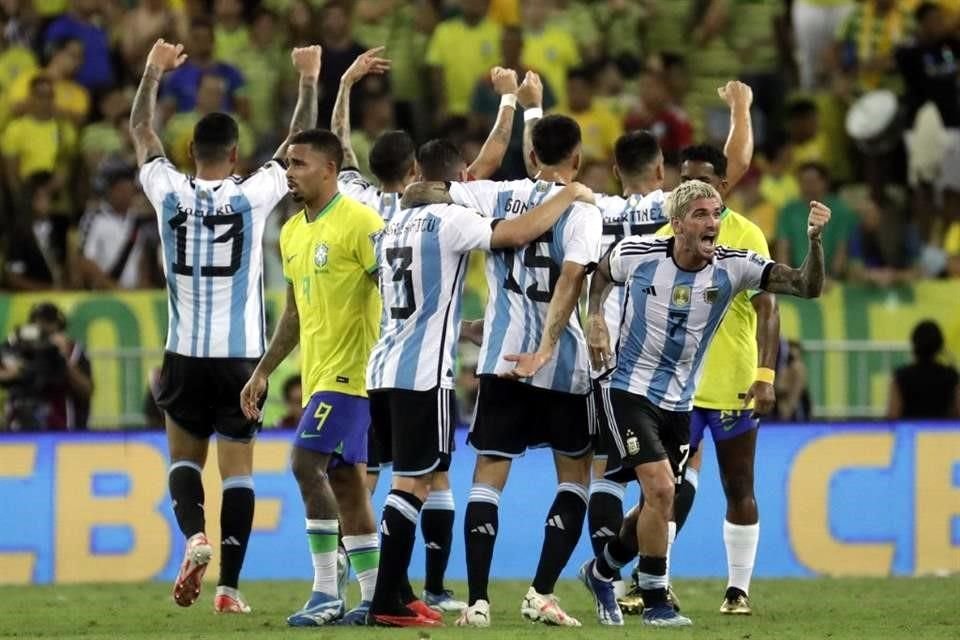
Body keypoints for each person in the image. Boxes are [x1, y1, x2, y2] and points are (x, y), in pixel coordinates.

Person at [577, 180, 830, 627]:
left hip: (680, 400)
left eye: (716, 213)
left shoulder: (734, 267)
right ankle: (656, 600)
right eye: (701, 215)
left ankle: (601, 570)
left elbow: (805, 286)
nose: (713, 223)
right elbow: (599, 275)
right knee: (659, 489)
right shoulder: (638, 254)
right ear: (677, 225)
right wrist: (595, 317)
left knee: (662, 499)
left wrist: (814, 242)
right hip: (630, 390)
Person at [366, 138, 595, 627]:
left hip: (384, 365)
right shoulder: (451, 219)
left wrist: (465, 327)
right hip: (426, 373)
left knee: (419, 479)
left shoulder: (388, 226)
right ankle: (387, 597)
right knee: (413, 482)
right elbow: (515, 234)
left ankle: (424, 594)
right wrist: (569, 192)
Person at [130, 38, 321, 614]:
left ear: (190, 150)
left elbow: (141, 129)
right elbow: (296, 147)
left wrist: (152, 72)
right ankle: (230, 590)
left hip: (183, 355)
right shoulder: (252, 195)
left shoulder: (166, 189)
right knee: (239, 473)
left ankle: (194, 537)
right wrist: (309, 82)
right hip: (242, 358)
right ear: (235, 156)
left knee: (185, 463)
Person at [332, 51, 521, 615]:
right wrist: (509, 101)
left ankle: (354, 581)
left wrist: (343, 84)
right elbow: (483, 163)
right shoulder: (446, 205)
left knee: (387, 475)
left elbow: (340, 146)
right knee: (425, 477)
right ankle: (408, 588)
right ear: (416, 170)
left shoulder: (363, 201)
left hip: (378, 354)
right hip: (420, 367)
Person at [239, 129, 382, 627]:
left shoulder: (362, 222)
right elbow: (295, 314)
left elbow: (395, 285)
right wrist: (263, 371)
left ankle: (325, 591)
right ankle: (372, 595)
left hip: (355, 374)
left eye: (297, 163)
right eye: (286, 163)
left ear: (327, 168)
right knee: (346, 483)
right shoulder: (291, 232)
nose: (289, 172)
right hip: (319, 373)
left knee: (304, 464)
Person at [649, 143, 781, 617]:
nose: (692, 190)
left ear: (725, 186)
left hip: (731, 382)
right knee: (662, 488)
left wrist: (765, 376)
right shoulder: (664, 232)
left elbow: (768, 306)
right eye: (684, 181)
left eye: (703, 181)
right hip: (674, 387)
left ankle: (737, 590)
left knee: (738, 485)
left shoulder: (747, 236)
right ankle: (653, 584)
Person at [0, 302, 92, 431]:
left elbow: (86, 391)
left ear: (59, 327)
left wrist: (63, 359)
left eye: (48, 323)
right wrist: (16, 369)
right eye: (37, 323)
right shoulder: (17, 344)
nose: (42, 327)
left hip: (62, 428)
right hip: (19, 426)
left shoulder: (72, 350)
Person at [888, 320, 960, 419]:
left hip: (910, 432)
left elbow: (893, 414)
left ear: (914, 345)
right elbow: (957, 411)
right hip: (942, 432)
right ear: (939, 346)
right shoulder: (951, 376)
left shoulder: (901, 376)